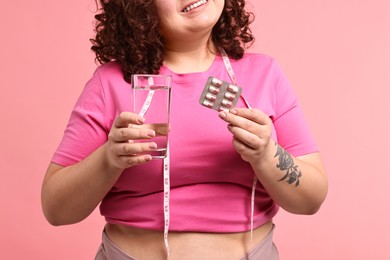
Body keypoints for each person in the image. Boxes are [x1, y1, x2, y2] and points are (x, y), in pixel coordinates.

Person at [41, 0, 328, 259]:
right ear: (140, 7)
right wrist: (109, 158)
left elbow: (311, 200)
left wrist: (267, 155)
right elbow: (56, 209)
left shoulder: (265, 74)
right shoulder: (111, 83)